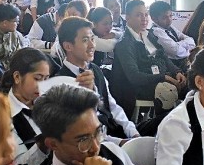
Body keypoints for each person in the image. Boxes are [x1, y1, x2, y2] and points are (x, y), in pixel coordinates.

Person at [33, 84, 183, 165]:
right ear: (53, 144)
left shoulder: (111, 152)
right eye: (83, 140)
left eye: (98, 132)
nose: (95, 147)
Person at [56, 16, 145, 145]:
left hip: (115, 130)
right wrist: (121, 143)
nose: (92, 45)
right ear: (68, 46)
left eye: (92, 39)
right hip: (97, 144)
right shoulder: (62, 83)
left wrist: (133, 132)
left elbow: (113, 107)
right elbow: (83, 131)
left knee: (161, 125)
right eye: (85, 40)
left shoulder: (96, 70)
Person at [110, 0, 186, 118]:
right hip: (137, 88)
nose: (144, 18)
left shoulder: (149, 35)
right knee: (167, 92)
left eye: (146, 14)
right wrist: (164, 77)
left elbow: (163, 57)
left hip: (159, 79)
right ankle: (163, 127)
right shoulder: (125, 44)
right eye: (139, 15)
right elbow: (134, 77)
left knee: (190, 84)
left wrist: (177, 72)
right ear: (128, 17)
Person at [0, 48, 52, 165]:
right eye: (38, 78)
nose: (43, 86)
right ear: (17, 77)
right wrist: (44, 143)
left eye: (46, 79)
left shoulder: (47, 102)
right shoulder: (4, 115)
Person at [149, 0, 196, 72]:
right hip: (173, 68)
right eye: (164, 17)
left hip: (183, 62)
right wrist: (188, 49)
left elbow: (191, 41)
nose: (169, 20)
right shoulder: (156, 32)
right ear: (154, 19)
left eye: (170, 16)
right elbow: (176, 51)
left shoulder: (169, 27)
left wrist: (178, 44)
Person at [0, 3, 27, 69]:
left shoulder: (14, 33)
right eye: (16, 21)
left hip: (11, 69)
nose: (18, 23)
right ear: (5, 23)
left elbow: (19, 54)